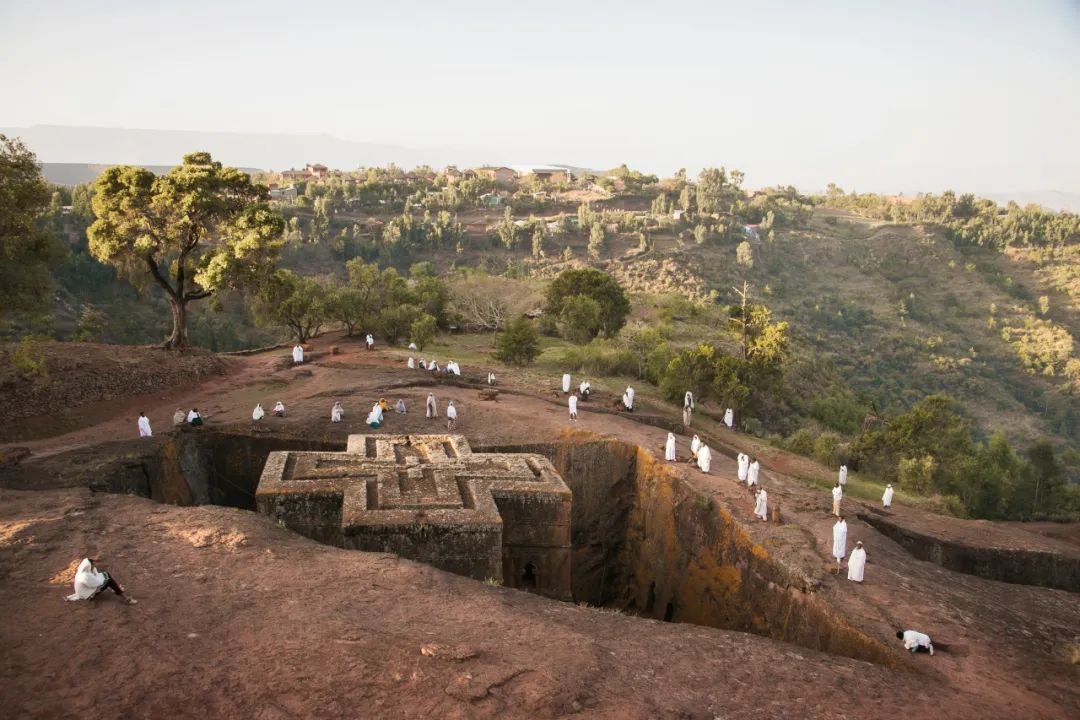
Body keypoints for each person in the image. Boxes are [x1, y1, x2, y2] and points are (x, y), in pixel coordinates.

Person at [66, 557, 136, 605]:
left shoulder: (83, 571)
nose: (93, 566)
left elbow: (95, 578)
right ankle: (125, 598)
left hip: (88, 589)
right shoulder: (85, 576)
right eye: (92, 565)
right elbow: (96, 584)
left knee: (106, 574)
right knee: (109, 581)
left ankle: (115, 589)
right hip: (89, 594)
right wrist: (104, 581)